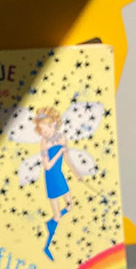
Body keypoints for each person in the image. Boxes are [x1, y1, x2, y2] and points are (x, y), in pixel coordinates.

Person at [35, 107, 83, 261]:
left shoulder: (62, 138)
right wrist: (58, 153)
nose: (43, 133)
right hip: (51, 178)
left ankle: (51, 222)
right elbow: (47, 166)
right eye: (41, 130)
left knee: (70, 205)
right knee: (57, 215)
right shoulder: (44, 142)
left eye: (45, 129)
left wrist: (76, 173)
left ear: (54, 124)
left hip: (60, 176)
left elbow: (67, 159)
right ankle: (47, 245)